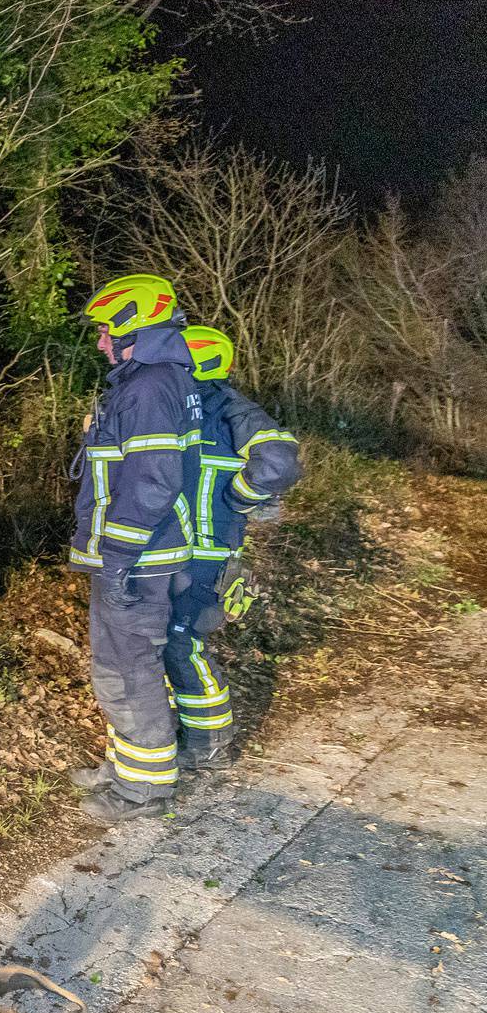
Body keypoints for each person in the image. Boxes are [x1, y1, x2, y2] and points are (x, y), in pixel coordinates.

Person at [68, 274, 204, 824]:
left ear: (133, 323)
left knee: (129, 669)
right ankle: (127, 766)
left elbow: (151, 482)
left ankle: (144, 789)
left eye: (106, 330)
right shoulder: (157, 381)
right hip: (152, 553)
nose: (101, 341)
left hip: (139, 558)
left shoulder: (148, 387)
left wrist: (117, 557)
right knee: (122, 665)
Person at [163, 325, 302, 769]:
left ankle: (210, 744)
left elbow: (279, 462)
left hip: (205, 554)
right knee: (167, 642)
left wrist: (238, 496)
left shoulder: (231, 411)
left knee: (183, 643)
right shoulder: (191, 406)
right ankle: (188, 732)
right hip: (178, 551)